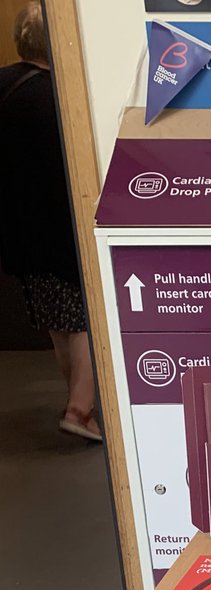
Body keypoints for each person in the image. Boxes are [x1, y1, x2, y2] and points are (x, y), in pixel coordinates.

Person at [0, 2, 101, 441]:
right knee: (88, 321)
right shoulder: (58, 97)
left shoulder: (5, 83)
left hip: (17, 230)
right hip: (61, 226)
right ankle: (80, 411)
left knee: (61, 323)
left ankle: (76, 401)